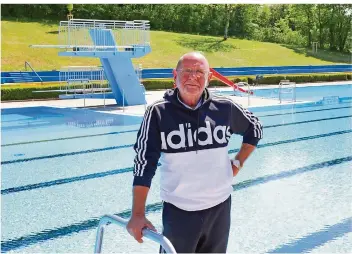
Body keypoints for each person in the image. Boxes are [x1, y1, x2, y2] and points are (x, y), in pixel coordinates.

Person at [126, 52, 263, 253]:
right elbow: (144, 162)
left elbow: (255, 128)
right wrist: (137, 213)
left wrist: (238, 162)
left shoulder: (224, 107)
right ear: (175, 75)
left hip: (220, 208)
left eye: (200, 72)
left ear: (209, 78)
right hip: (180, 211)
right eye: (187, 71)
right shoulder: (158, 112)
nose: (193, 77)